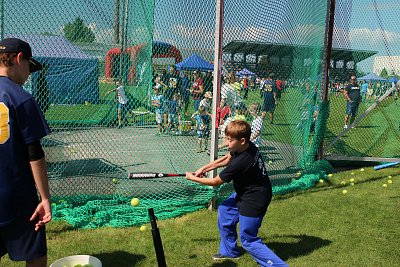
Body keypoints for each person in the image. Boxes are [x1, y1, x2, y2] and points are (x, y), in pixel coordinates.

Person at [185, 120, 287, 267]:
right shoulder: (246, 146)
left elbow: (215, 182)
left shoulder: (242, 161)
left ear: (242, 140)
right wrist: (203, 169)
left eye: (230, 140)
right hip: (246, 191)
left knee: (249, 240)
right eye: (226, 138)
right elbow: (227, 158)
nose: (226, 143)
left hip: (255, 199)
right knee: (225, 210)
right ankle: (229, 251)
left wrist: (192, 178)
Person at [0, 38, 52, 267]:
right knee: (36, 255)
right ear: (19, 58)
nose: (29, 73)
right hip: (16, 196)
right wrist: (45, 198)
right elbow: (34, 153)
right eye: (29, 66)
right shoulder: (22, 98)